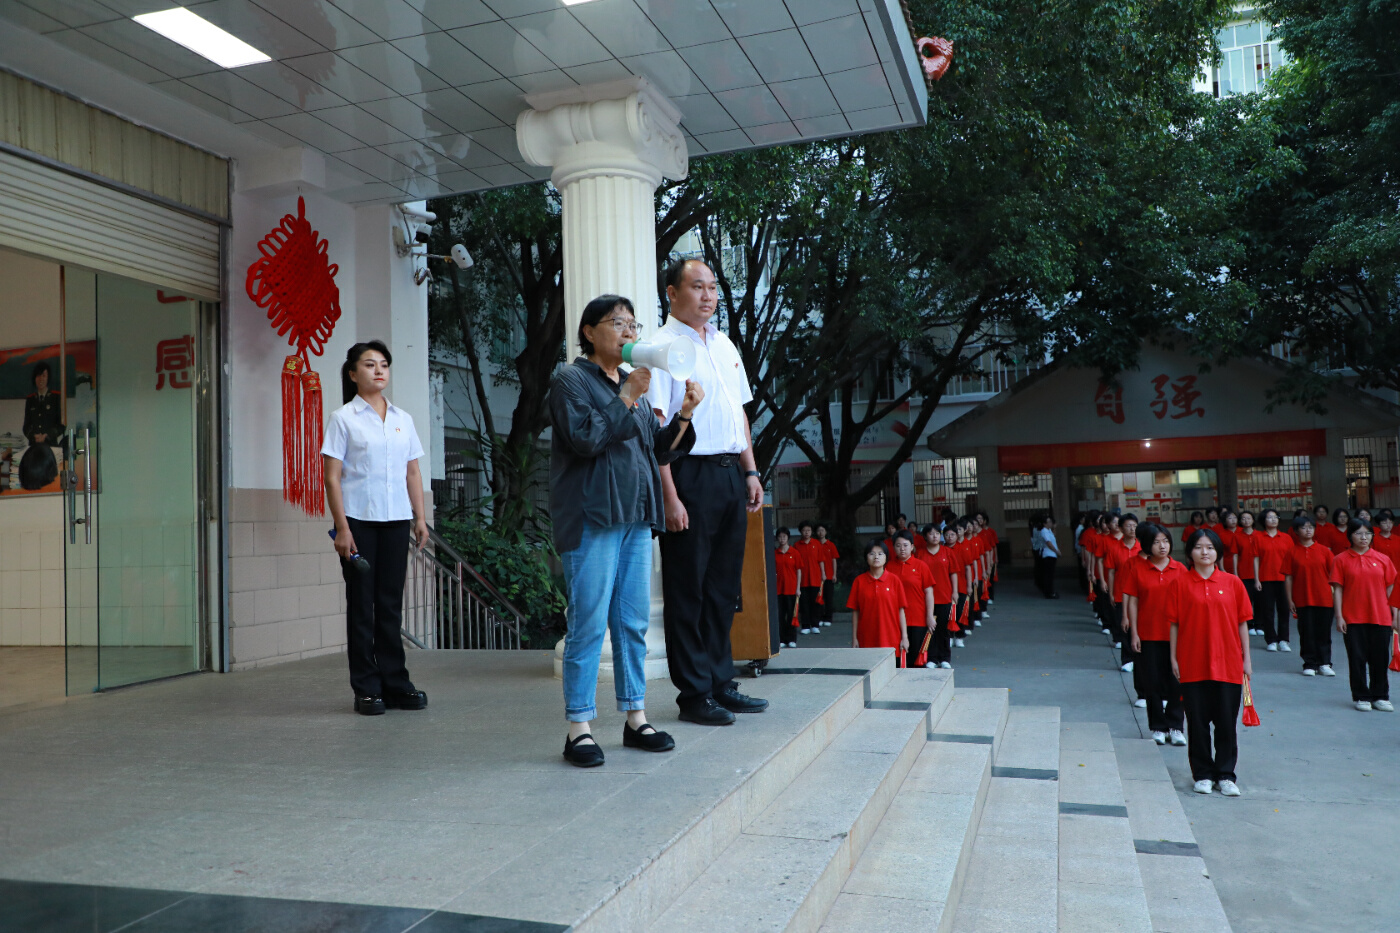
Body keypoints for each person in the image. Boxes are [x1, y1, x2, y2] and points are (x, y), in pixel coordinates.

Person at [549, 296, 701, 765]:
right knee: (588, 625)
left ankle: (636, 717)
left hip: (635, 517)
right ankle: (579, 728)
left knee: (632, 623)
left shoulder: (632, 386)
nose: (629, 332)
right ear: (589, 331)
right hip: (592, 517)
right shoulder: (570, 380)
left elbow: (658, 450)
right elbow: (586, 439)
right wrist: (628, 396)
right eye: (618, 323)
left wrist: (685, 415)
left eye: (633, 324)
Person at [649, 259, 767, 725]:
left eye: (713, 288)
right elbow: (657, 430)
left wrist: (751, 471)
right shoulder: (660, 347)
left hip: (729, 474)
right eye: (697, 286)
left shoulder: (724, 344)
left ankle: (721, 682)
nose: (708, 296)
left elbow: (739, 415)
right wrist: (670, 496)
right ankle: (695, 694)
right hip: (688, 475)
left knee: (722, 588)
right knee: (688, 590)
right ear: (672, 293)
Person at [322, 340, 430, 717]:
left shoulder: (403, 419)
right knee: (361, 608)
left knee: (389, 605)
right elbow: (332, 478)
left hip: (396, 521)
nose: (379, 370)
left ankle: (395, 683)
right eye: (369, 364)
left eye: (384, 364)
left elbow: (412, 472)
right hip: (358, 523)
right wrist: (342, 528)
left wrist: (419, 517)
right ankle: (366, 689)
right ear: (353, 374)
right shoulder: (343, 418)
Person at [1167, 528, 1254, 797]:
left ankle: (1225, 775)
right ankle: (1203, 774)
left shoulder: (1233, 583)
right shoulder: (1180, 583)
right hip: (1193, 663)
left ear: (1218, 552)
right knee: (1197, 722)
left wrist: (1247, 660)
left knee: (1226, 723)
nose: (1204, 552)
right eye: (1198, 547)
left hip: (1228, 663)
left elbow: (1242, 623)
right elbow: (1174, 624)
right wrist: (1173, 657)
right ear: (1190, 552)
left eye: (1210, 547)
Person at [1124, 522, 1188, 746]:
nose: (1162, 546)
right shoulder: (1138, 569)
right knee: (1151, 682)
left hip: (1176, 636)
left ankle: (1176, 726)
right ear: (1147, 545)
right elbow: (1133, 602)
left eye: (1166, 541)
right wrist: (1134, 633)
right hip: (1148, 635)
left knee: (1177, 682)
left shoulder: (1180, 569)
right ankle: (1158, 727)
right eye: (1156, 542)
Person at [1330, 518, 1398, 712]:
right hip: (1353, 617)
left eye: (1368, 533)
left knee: (1380, 658)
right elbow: (1338, 589)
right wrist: (1339, 616)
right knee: (1357, 658)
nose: (1363, 537)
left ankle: (1380, 696)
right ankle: (1361, 696)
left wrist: (1395, 614)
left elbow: (1391, 588)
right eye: (1358, 533)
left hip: (1380, 616)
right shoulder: (1341, 559)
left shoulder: (1383, 559)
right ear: (1350, 535)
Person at [1284, 514, 1336, 677]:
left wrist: (1336, 597)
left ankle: (1325, 663)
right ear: (1296, 531)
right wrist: (1290, 599)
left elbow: (1334, 576)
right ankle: (1310, 663)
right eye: (1304, 527)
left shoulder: (1325, 551)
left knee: (1324, 632)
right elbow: (1288, 577)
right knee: (1306, 632)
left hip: (1324, 598)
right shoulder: (1292, 552)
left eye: (1311, 527)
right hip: (1302, 598)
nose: (1308, 530)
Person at [848, 540, 908, 653]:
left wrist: (904, 637)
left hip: (891, 638)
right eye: (872, 553)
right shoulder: (859, 581)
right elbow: (855, 612)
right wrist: (854, 638)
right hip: (866, 638)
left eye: (880, 554)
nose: (876, 557)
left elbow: (901, 610)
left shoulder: (894, 580)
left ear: (886, 557)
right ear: (866, 557)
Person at [887, 531, 935, 668]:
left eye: (905, 545)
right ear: (893, 547)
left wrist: (929, 616)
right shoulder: (888, 567)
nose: (902, 549)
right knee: (897, 657)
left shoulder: (921, 566)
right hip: (894, 618)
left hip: (917, 618)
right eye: (898, 545)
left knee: (916, 657)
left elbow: (929, 592)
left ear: (912, 546)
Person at [1251, 508, 1294, 652]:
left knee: (1284, 610)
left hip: (1284, 579)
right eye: (1269, 517)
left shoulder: (1286, 538)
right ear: (1263, 520)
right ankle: (1271, 640)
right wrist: (1257, 579)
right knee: (1267, 611)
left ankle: (1284, 640)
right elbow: (1256, 559)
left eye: (1276, 517)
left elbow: (1292, 559)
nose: (1273, 519)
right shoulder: (1258, 537)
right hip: (1266, 579)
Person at [1104, 514, 1142, 671]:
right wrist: (1111, 593)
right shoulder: (1114, 548)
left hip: (1140, 594)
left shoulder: (1142, 547)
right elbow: (1111, 572)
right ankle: (1127, 659)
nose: (1132, 529)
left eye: (1134, 526)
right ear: (1120, 528)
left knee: (1139, 626)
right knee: (1125, 626)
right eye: (1128, 526)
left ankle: (1139, 657)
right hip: (1121, 593)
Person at [918, 524, 958, 668]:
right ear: (925, 536)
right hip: (925, 598)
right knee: (929, 629)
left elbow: (953, 573)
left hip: (944, 595)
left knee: (943, 628)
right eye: (931, 533)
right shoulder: (920, 554)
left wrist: (955, 592)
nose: (935, 536)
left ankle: (945, 658)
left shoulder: (947, 552)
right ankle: (931, 658)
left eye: (937, 533)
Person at [793, 521, 825, 635]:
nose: (806, 532)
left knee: (815, 603)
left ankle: (815, 625)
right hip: (802, 579)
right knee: (804, 603)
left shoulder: (816, 544)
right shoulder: (797, 545)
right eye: (804, 530)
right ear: (800, 532)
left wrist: (823, 573)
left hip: (815, 577)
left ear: (811, 532)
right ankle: (805, 625)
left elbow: (821, 560)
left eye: (809, 530)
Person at [22, 362, 64, 448]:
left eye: (44, 376)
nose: (41, 379)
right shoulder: (30, 399)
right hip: (34, 446)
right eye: (38, 376)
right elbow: (26, 426)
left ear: (48, 378)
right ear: (35, 378)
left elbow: (62, 425)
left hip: (51, 446)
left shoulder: (56, 397)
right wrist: (34, 436)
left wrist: (47, 435)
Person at [773, 527, 801, 649]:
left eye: (784, 536)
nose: (782, 539)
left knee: (791, 615)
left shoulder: (794, 553)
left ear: (788, 538)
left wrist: (798, 588)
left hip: (791, 589)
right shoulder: (775, 554)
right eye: (779, 537)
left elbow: (799, 571)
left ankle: (792, 639)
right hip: (778, 589)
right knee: (780, 616)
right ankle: (782, 639)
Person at [1237, 510, 1263, 635]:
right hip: (1244, 572)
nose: (1246, 520)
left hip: (1259, 573)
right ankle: (1250, 624)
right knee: (1247, 600)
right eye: (1243, 518)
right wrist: (1236, 572)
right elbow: (1235, 555)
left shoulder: (1260, 535)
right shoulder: (1237, 536)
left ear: (1253, 520)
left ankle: (1259, 624)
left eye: (1248, 518)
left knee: (1260, 600)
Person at [815, 523, 840, 627]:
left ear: (825, 532)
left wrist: (834, 574)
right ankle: (820, 617)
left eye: (822, 530)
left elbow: (834, 560)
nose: (820, 533)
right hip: (817, 576)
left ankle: (828, 618)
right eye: (818, 530)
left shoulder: (831, 545)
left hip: (829, 575)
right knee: (819, 598)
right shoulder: (815, 544)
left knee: (828, 598)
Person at [1034, 514, 1061, 599]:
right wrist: (1056, 551)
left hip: (1052, 555)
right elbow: (1049, 543)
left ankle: (1050, 591)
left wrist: (1054, 528)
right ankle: (1049, 592)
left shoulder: (1048, 530)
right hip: (1048, 555)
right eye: (1049, 522)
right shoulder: (1044, 531)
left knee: (1051, 574)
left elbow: (1053, 537)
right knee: (1048, 575)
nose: (1050, 523)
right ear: (1044, 523)